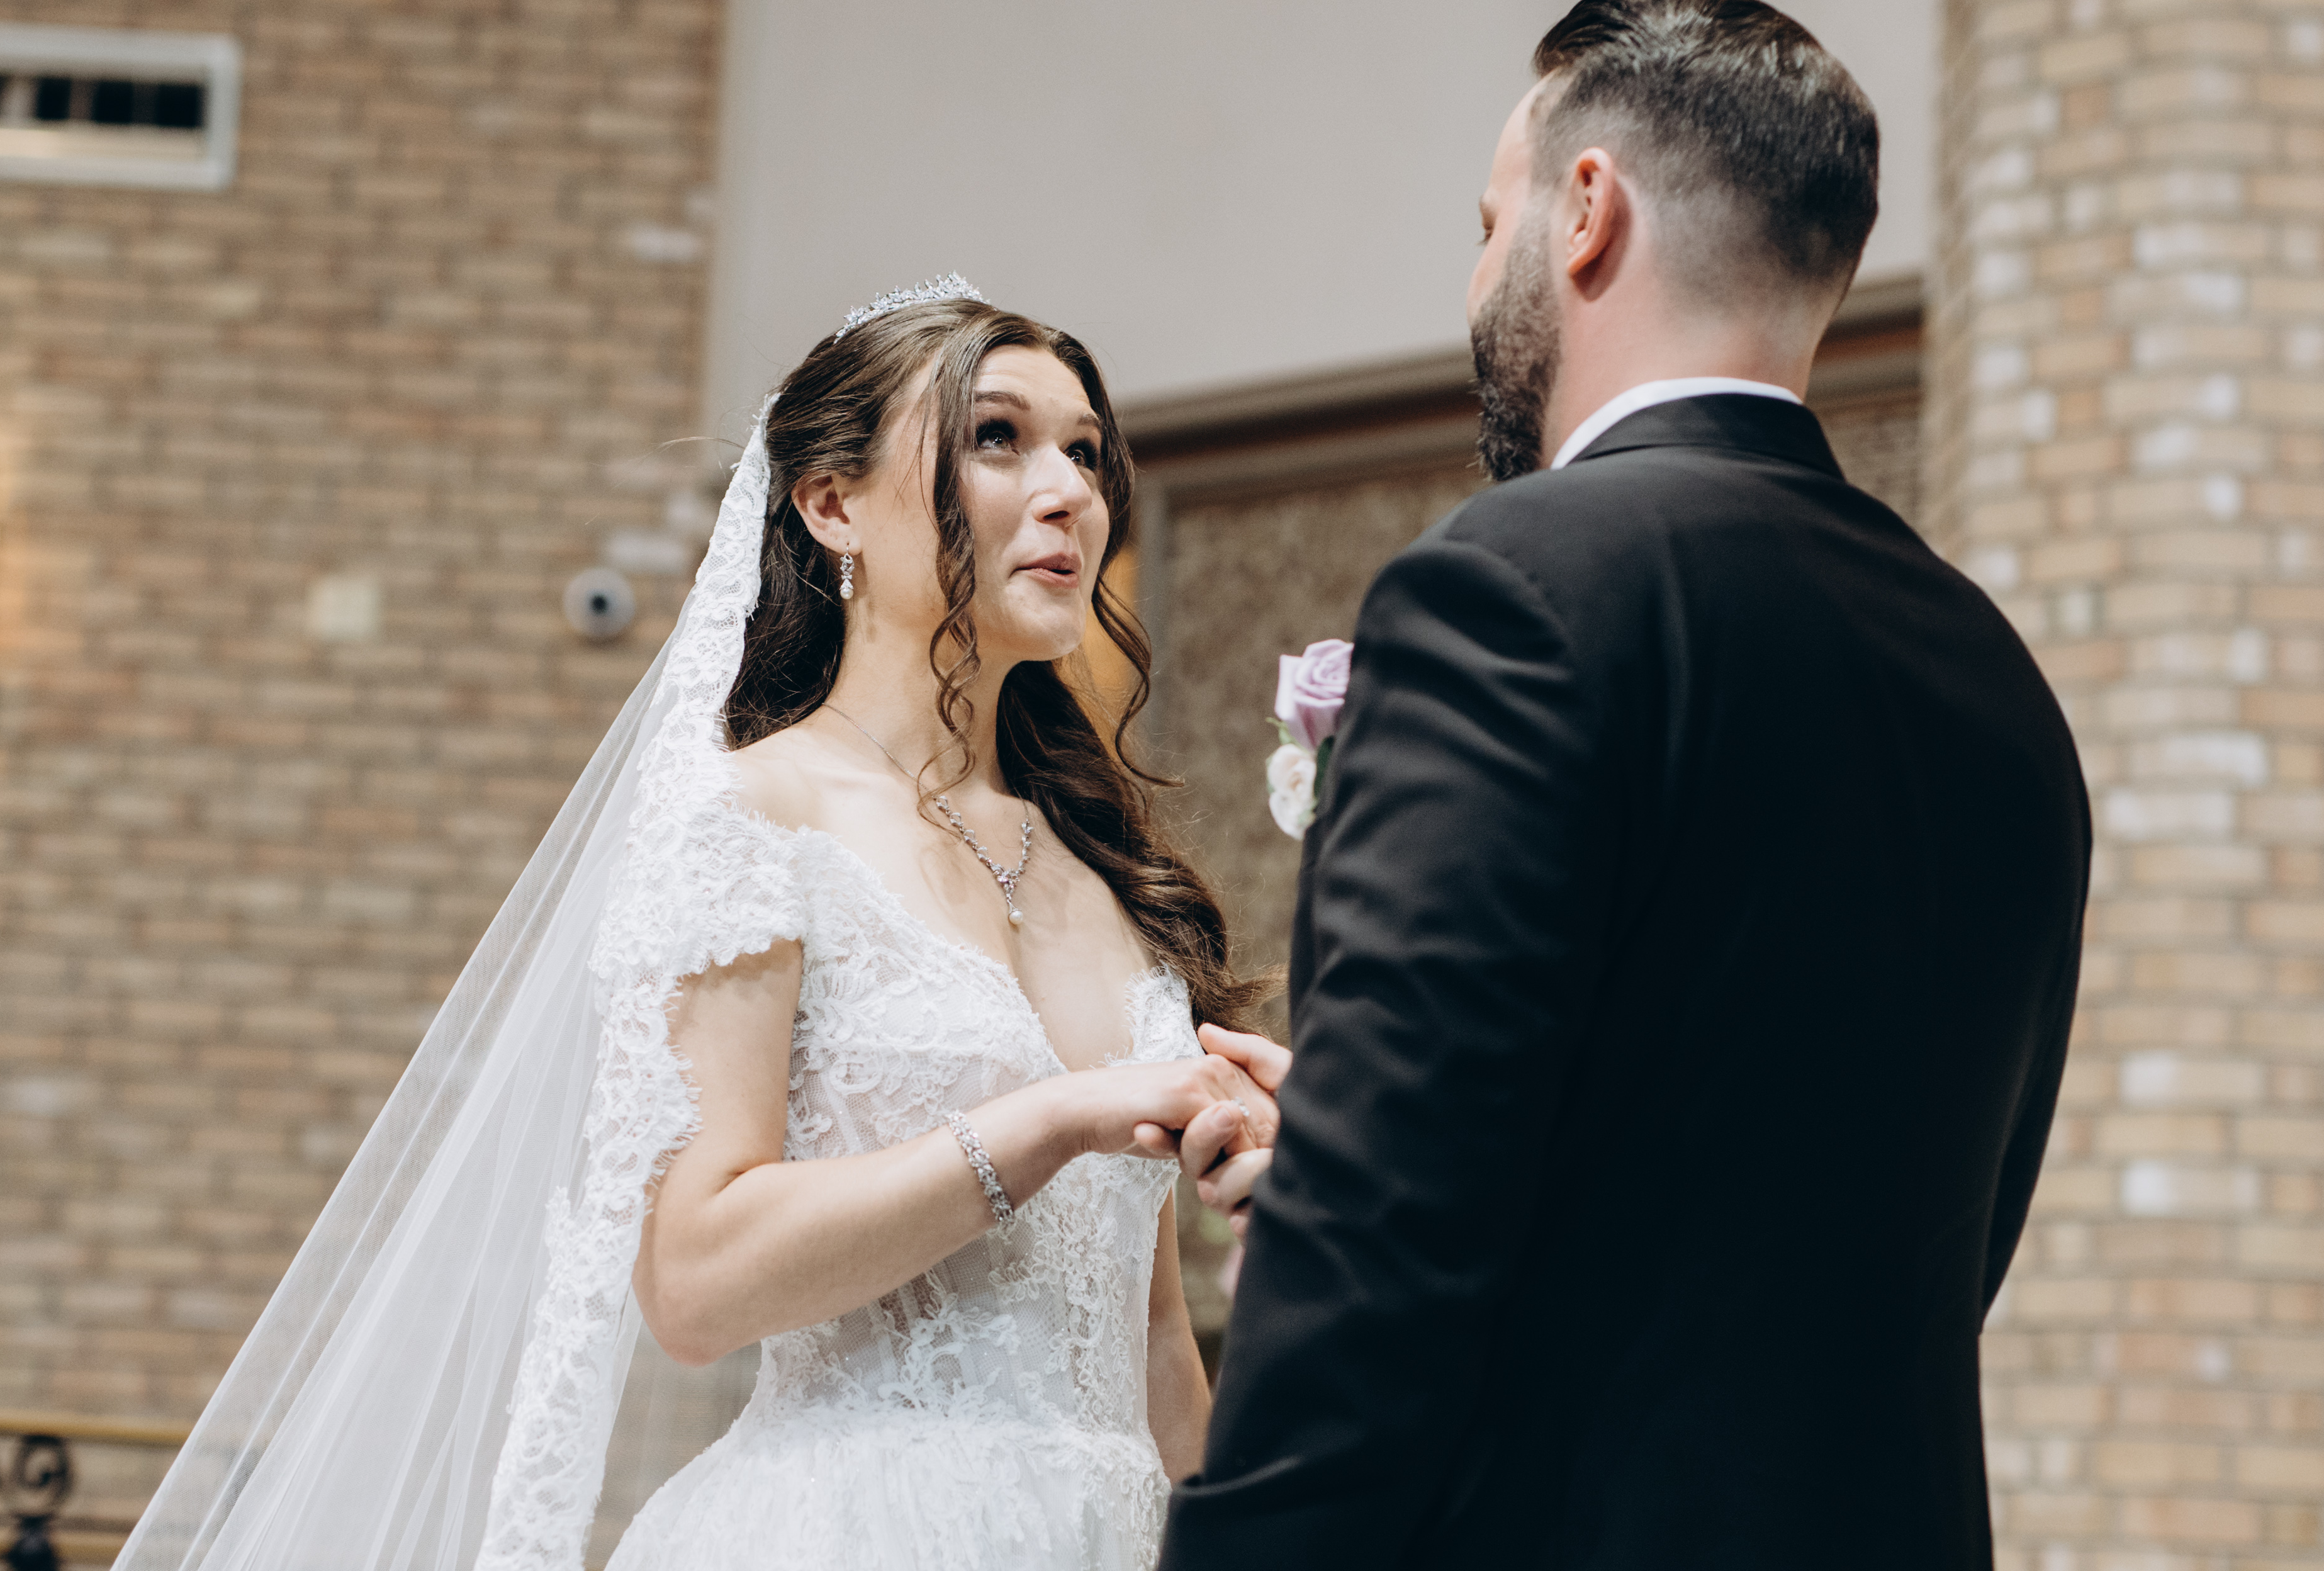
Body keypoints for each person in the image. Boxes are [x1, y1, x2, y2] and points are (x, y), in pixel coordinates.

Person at [117, 282, 1283, 1571]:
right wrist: (1051, 1119)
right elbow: (692, 1282)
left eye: (1087, 451)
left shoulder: (1109, 869)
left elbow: (1151, 1339)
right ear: (832, 504)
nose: (1068, 491)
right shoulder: (752, 819)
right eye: (997, 438)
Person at [1160, 4, 2092, 1568]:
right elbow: (1892, 1226)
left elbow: (1379, 1261)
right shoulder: (1991, 675)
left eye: (1490, 226)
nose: (1479, 281)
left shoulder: (1516, 589)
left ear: (1586, 211)